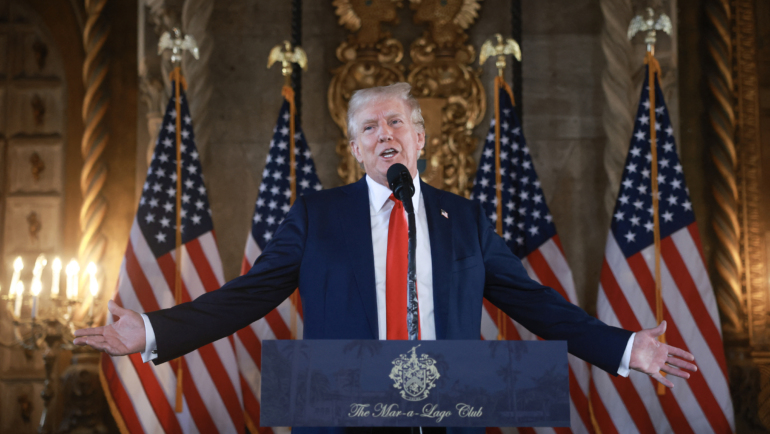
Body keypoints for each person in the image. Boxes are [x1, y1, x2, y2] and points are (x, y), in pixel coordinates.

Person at [75, 83, 696, 432]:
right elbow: (246, 296)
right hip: (343, 418)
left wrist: (625, 347)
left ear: (420, 139)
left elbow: (538, 305)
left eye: (395, 123)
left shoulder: (467, 221)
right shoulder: (317, 217)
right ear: (355, 149)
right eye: (368, 129)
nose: (384, 135)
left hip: (446, 418)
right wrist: (154, 330)